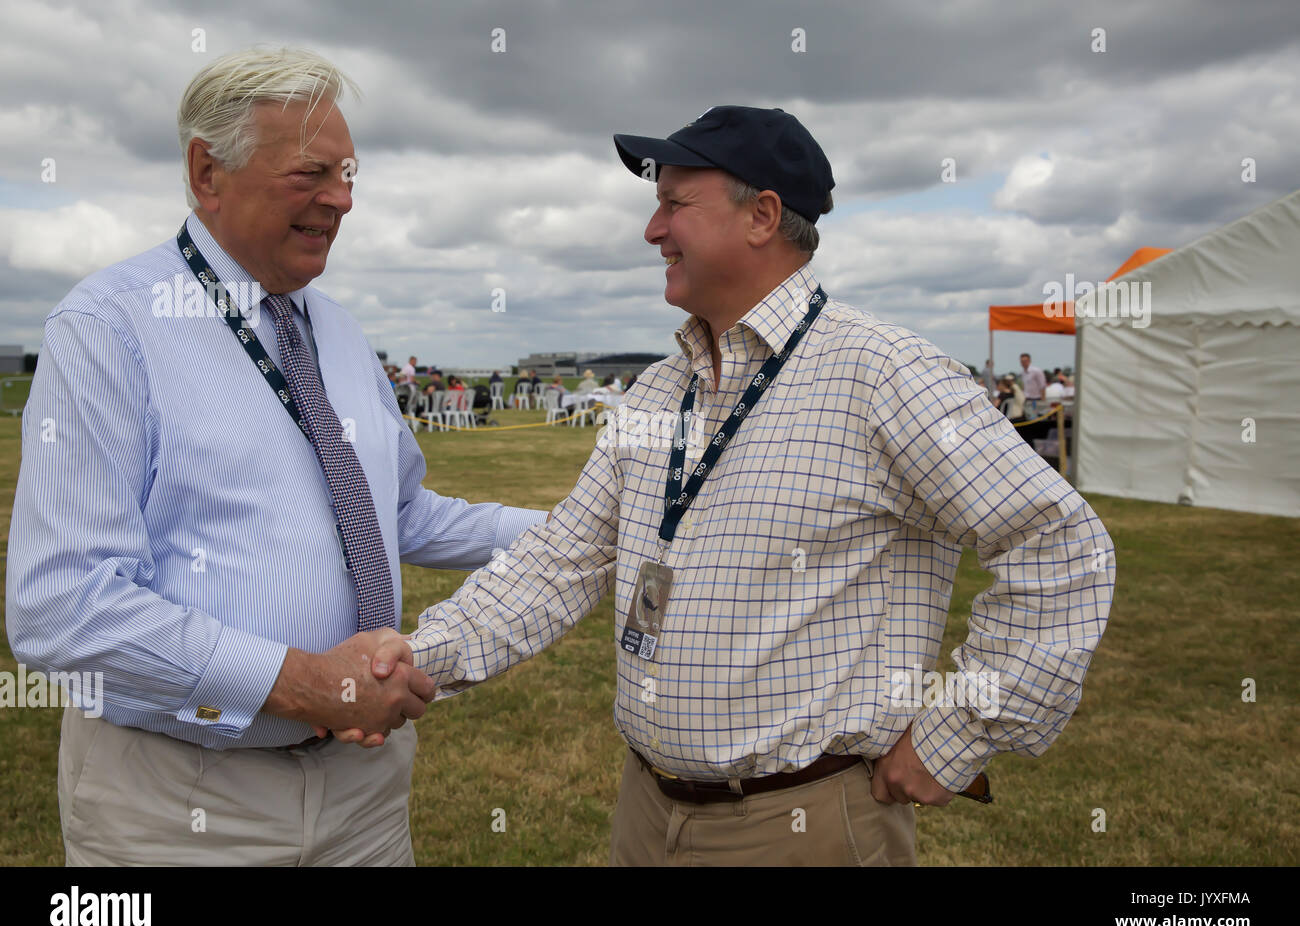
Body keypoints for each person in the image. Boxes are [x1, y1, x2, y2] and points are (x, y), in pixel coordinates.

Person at [336, 105, 1115, 866]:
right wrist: (414, 659)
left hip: (805, 823)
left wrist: (955, 733)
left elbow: (1061, 547)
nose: (652, 230)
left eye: (674, 204)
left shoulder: (885, 374)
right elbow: (561, 560)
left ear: (762, 216)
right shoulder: (656, 391)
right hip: (647, 809)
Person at [5, 47, 547, 866]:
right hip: (183, 804)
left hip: (363, 790)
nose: (342, 199)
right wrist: (298, 683)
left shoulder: (337, 327)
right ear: (206, 171)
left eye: (349, 174)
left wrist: (580, 529)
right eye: (311, 174)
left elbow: (397, 514)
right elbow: (61, 606)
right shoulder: (109, 330)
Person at [1020, 352, 1047, 418]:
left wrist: (1043, 401)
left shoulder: (1036, 371)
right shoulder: (1023, 373)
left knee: (1037, 418)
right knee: (1028, 417)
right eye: (1022, 361)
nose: (1023, 363)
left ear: (1029, 361)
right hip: (1027, 399)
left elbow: (1042, 386)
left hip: (1036, 399)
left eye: (1025, 361)